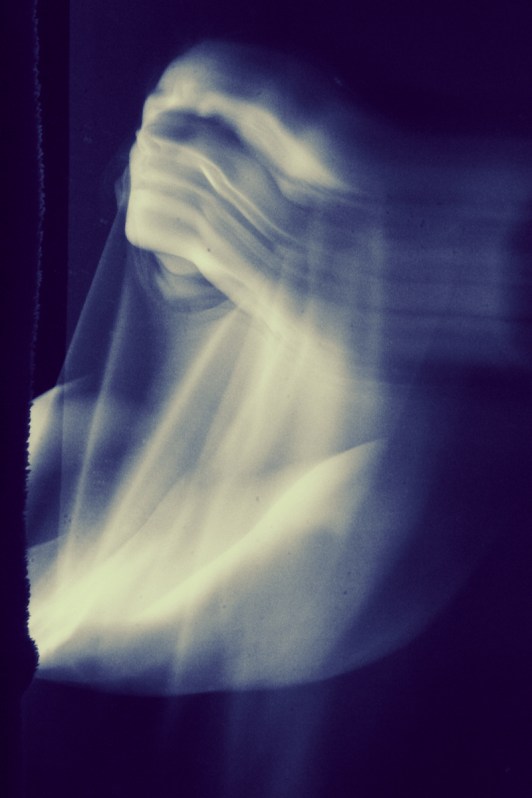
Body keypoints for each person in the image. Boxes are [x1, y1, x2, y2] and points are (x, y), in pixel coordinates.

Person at [25, 40, 532, 695]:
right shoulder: (88, 424)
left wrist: (291, 272)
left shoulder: (373, 491)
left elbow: (116, 617)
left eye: (223, 132)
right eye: (160, 119)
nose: (161, 151)